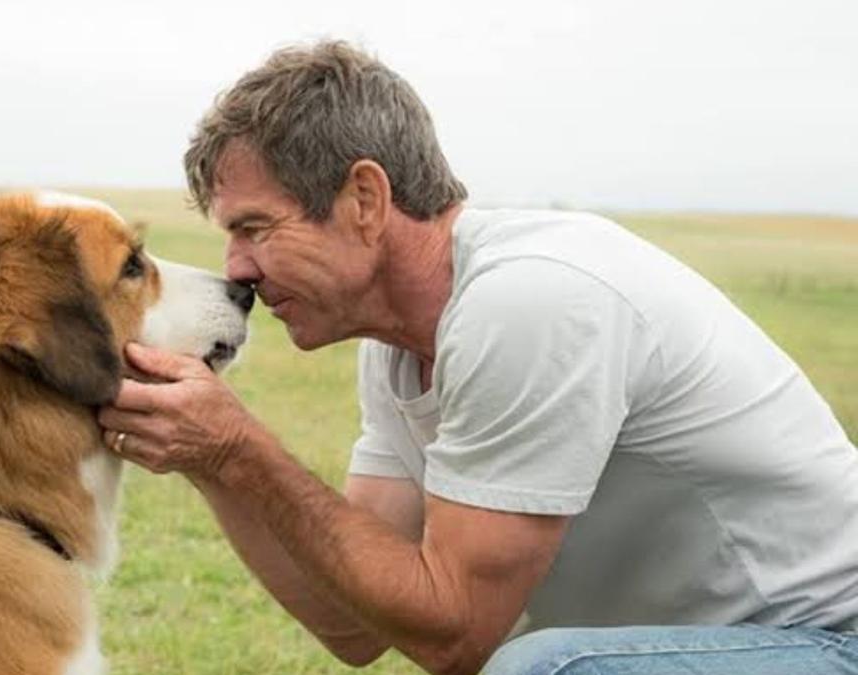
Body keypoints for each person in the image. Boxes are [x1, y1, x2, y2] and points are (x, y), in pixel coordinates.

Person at [98, 40, 858, 674]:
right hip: (712, 649)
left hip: (829, 638)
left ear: (364, 198)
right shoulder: (401, 349)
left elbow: (455, 633)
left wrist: (239, 447)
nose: (235, 268)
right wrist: (207, 459)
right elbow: (357, 622)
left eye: (256, 228)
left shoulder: (530, 300)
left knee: (543, 670)